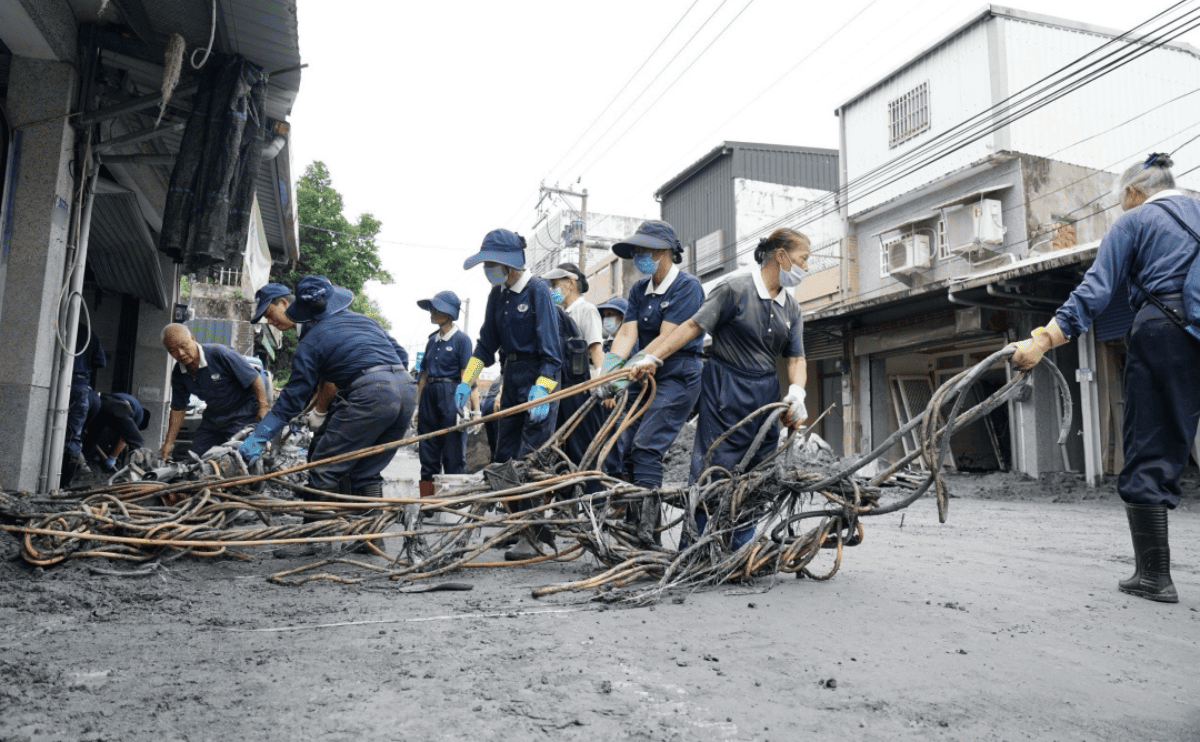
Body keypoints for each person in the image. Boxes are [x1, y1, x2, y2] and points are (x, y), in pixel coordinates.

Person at [1012, 153, 1198, 604]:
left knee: (1149, 446)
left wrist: (1042, 339)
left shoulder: (1135, 222)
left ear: (1134, 193)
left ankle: (1155, 576)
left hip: (1166, 333)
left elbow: (1095, 290)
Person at [629, 227, 811, 550]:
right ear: (781, 256)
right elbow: (691, 327)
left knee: (756, 475)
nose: (805, 268)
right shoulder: (734, 289)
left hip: (766, 394)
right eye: (803, 259)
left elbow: (796, 357)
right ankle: (694, 549)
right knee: (710, 471)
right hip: (723, 388)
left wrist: (797, 393)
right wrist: (654, 356)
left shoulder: (791, 308)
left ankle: (737, 549)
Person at [238, 275, 417, 503]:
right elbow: (400, 356)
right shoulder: (366, 321)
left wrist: (258, 439)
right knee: (366, 471)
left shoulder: (311, 341)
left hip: (372, 395)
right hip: (407, 390)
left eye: (269, 314)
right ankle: (371, 539)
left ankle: (318, 537)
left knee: (323, 468)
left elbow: (292, 399)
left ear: (288, 305)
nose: (270, 321)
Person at [592, 220, 706, 544]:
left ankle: (647, 534)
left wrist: (643, 360)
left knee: (646, 446)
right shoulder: (639, 290)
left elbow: (670, 336)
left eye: (644, 250)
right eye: (637, 251)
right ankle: (633, 526)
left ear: (663, 251)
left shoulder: (687, 287)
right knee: (627, 449)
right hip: (643, 374)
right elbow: (628, 332)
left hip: (678, 375)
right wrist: (610, 373)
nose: (639, 257)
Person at [457, 229, 563, 560]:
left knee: (530, 457)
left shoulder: (538, 291)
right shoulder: (498, 295)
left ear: (509, 264)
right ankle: (516, 522)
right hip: (511, 377)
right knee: (504, 455)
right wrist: (467, 379)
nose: (488, 269)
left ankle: (533, 536)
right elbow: (486, 344)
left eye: (491, 263)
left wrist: (542, 391)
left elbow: (553, 353)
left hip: (538, 379)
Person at [159, 323, 270, 459]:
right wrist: (168, 443)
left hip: (242, 416)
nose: (180, 353)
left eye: (183, 345)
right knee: (195, 460)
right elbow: (178, 409)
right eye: (173, 350)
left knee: (238, 460)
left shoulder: (220, 354)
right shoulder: (178, 373)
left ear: (192, 338)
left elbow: (254, 378)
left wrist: (263, 408)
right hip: (213, 420)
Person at [542, 262, 606, 469]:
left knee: (583, 446)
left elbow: (596, 349)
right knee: (560, 447)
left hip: (580, 387)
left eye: (555, 284)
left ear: (570, 282)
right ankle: (566, 496)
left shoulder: (586, 310)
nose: (551, 290)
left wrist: (602, 380)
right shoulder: (554, 314)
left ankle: (590, 498)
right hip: (560, 388)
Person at [415, 290, 473, 500]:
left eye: (436, 308)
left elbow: (467, 375)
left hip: (451, 394)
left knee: (453, 452)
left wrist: (464, 407)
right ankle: (427, 501)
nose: (431, 312)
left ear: (448, 313)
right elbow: (422, 376)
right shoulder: (431, 341)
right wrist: (417, 407)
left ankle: (451, 503)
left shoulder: (462, 340)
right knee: (427, 453)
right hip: (429, 396)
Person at [62, 323, 106, 487]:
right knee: (73, 436)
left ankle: (61, 480)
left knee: (65, 433)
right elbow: (100, 361)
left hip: (62, 381)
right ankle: (64, 485)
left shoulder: (61, 325)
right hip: (81, 386)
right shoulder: (89, 332)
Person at [82, 392, 151, 471]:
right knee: (137, 441)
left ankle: (83, 466)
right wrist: (113, 457)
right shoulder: (139, 416)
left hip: (101, 402)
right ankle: (136, 471)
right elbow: (125, 438)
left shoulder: (133, 402)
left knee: (92, 438)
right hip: (119, 406)